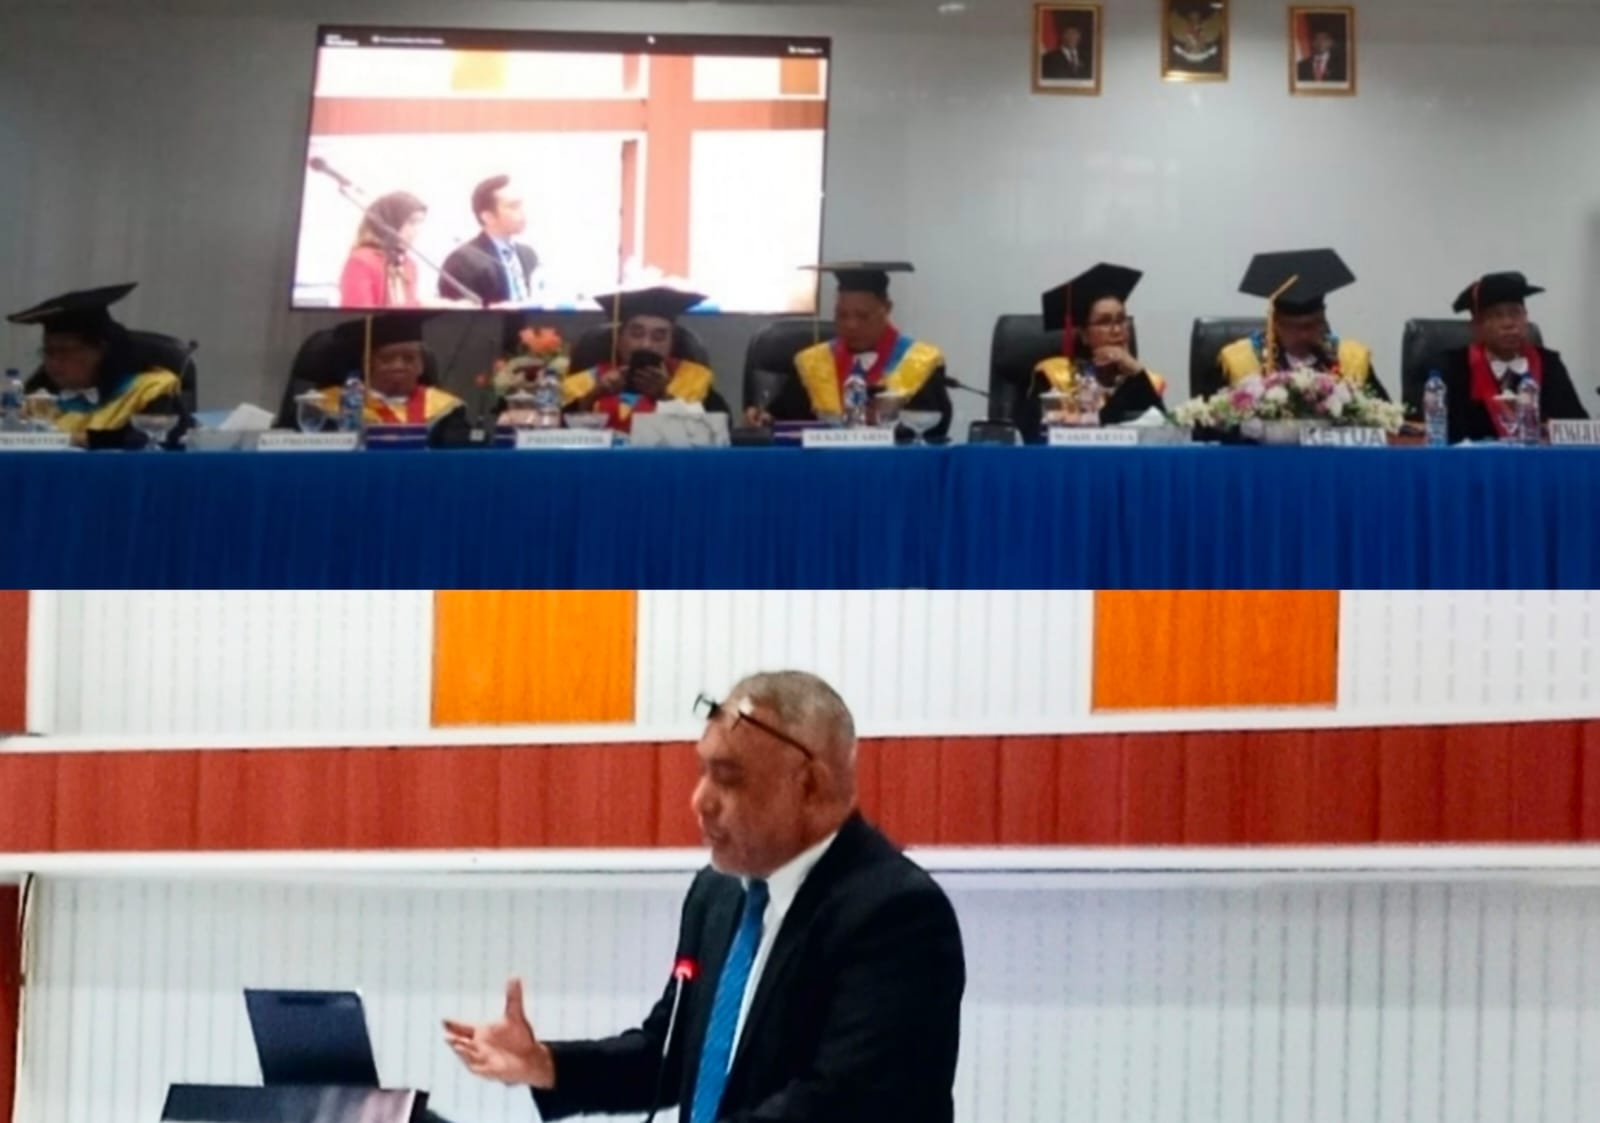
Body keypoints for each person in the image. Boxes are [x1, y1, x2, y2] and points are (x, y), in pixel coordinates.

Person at [443, 670, 966, 1123]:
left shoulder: (896, 915)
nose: (700, 801)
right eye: (703, 772)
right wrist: (546, 1064)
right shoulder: (717, 895)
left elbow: (842, 1104)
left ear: (810, 786)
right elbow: (669, 1054)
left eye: (729, 779)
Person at [761, 262, 952, 437]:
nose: (851, 325)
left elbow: (935, 430)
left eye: (862, 316)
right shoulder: (814, 363)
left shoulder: (919, 362)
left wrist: (888, 423)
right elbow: (783, 419)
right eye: (842, 315)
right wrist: (763, 419)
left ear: (887, 309)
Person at [8, 282, 188, 449]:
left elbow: (156, 440)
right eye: (48, 352)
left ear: (101, 350)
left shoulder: (150, 390)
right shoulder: (40, 399)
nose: (53, 362)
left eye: (64, 352)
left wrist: (80, 440)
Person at [1433, 271, 1588, 443]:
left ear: (1526, 318)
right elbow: (1431, 431)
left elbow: (1579, 427)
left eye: (1515, 313)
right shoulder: (1454, 367)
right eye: (1496, 315)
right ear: (1477, 326)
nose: (1508, 324)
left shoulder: (1549, 364)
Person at [1020, 263, 1167, 441]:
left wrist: (1136, 371)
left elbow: (1165, 434)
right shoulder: (1056, 377)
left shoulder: (1143, 381)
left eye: (1121, 320)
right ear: (1084, 335)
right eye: (1104, 322)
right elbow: (1038, 438)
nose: (1117, 330)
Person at [1218, 247, 1388, 397]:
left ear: (1323, 320)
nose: (1303, 335)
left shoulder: (1350, 360)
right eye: (1293, 327)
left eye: (1311, 325)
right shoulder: (1242, 361)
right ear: (1275, 323)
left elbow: (1385, 416)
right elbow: (1213, 418)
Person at [562, 286, 728, 432]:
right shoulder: (587, 382)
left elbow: (717, 432)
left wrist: (665, 396)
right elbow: (558, 433)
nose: (646, 345)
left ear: (671, 343)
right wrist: (594, 395)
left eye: (659, 337)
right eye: (636, 334)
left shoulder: (691, 380)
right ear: (619, 340)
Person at [313, 313, 464, 427]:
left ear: (421, 366)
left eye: (409, 358)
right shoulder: (329, 408)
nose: (398, 366)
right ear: (367, 364)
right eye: (386, 359)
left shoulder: (446, 411)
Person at [437, 175, 541, 307]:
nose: (523, 213)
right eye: (514, 206)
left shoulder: (528, 255)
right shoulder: (462, 261)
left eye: (522, 205)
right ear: (488, 217)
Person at [339, 192, 427, 309]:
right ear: (390, 222)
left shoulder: (409, 264)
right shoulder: (361, 261)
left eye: (420, 223)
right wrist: (422, 305)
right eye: (412, 222)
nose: (417, 231)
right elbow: (358, 315)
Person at [1040, 14, 1093, 81]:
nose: (1071, 37)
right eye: (1068, 33)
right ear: (1062, 36)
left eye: (1074, 33)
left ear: (1079, 36)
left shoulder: (1087, 58)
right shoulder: (1049, 58)